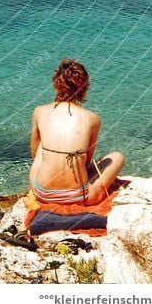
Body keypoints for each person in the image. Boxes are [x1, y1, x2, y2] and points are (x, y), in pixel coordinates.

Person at [29, 59, 125, 205]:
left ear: (56, 84)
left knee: (43, 146)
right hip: (79, 197)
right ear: (84, 88)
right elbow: (86, 162)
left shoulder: (39, 112)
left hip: (42, 193)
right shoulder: (93, 119)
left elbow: (35, 154)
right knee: (117, 157)